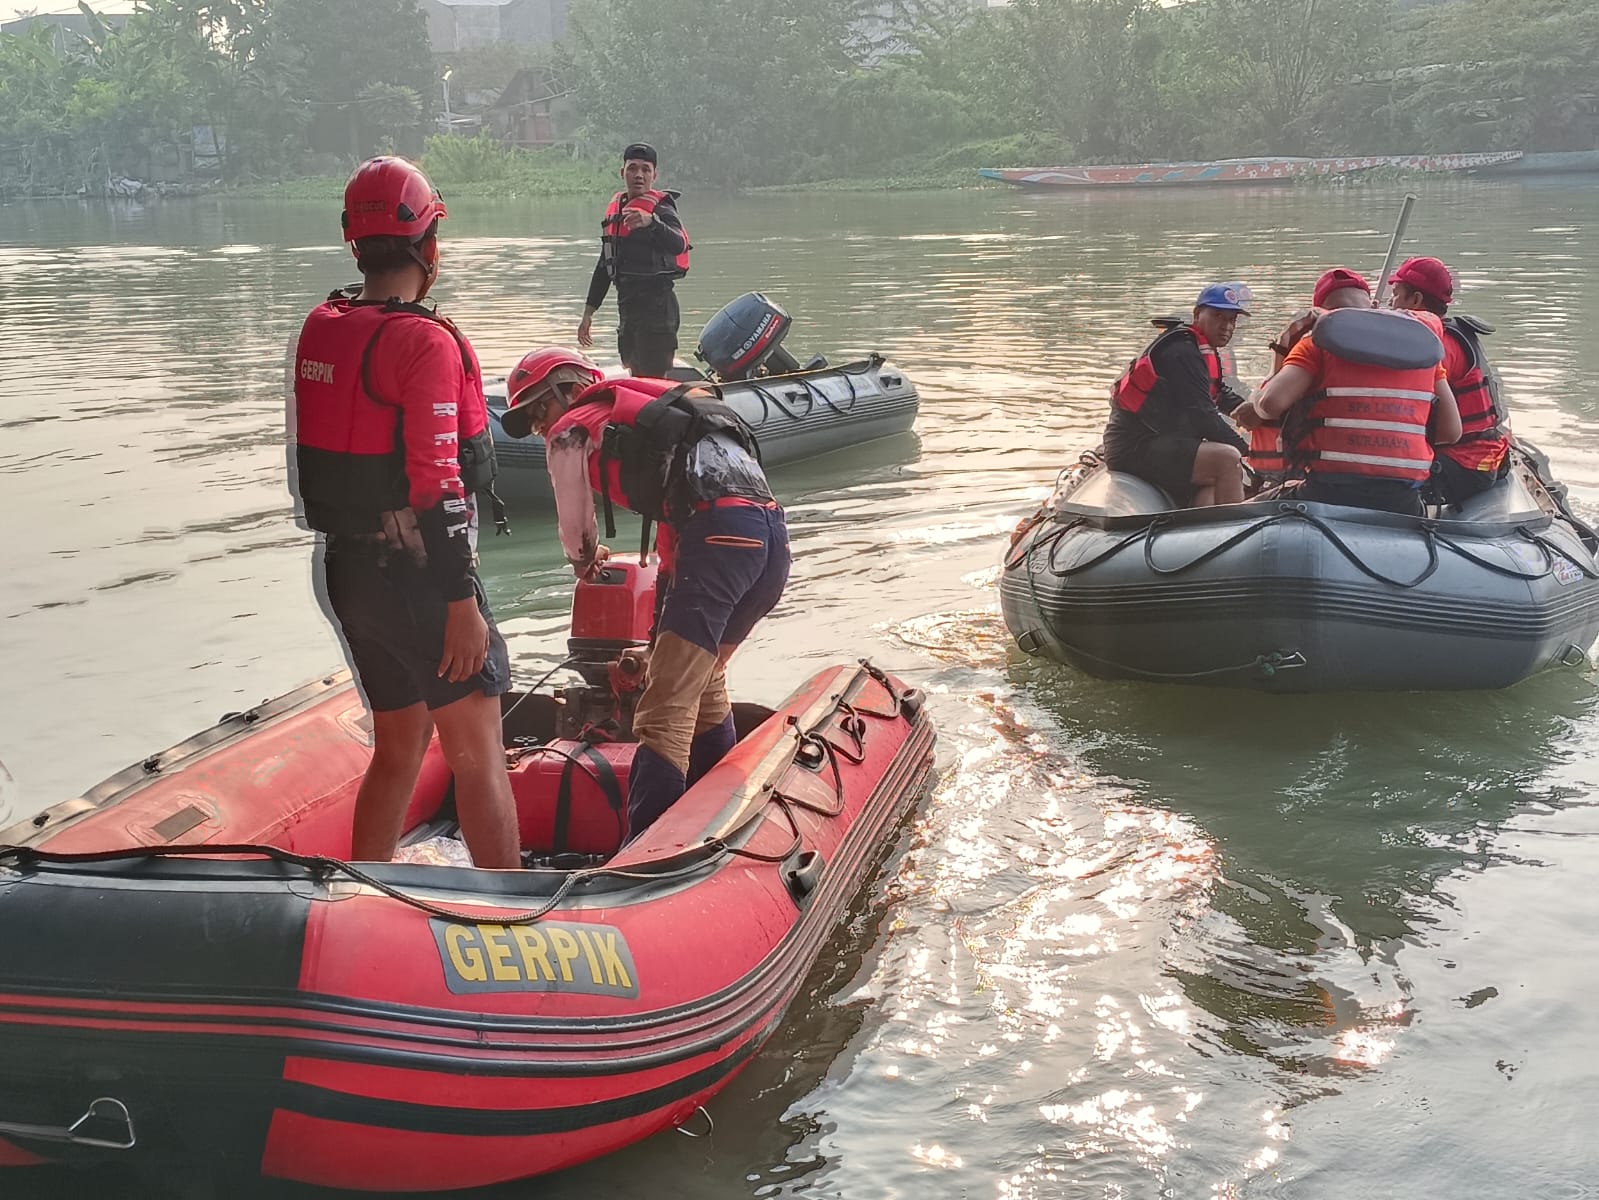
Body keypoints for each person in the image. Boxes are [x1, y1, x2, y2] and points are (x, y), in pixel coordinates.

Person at [290, 157, 519, 869]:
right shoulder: (422, 341)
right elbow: (438, 484)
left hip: (345, 571)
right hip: (419, 575)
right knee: (479, 754)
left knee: (397, 747)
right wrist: (459, 601)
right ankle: (511, 923)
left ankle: (362, 900)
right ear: (429, 247)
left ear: (354, 244)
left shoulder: (322, 326)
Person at [500, 347, 790, 842]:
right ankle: (715, 816)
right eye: (529, 423)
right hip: (769, 541)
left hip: (719, 541)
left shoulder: (572, 428)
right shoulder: (665, 408)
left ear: (568, 390)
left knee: (662, 710)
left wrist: (584, 559)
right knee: (705, 685)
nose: (539, 427)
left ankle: (648, 850)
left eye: (537, 412)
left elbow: (576, 526)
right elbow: (687, 507)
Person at [1237, 296, 1463, 516]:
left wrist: (1258, 395)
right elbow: (1451, 432)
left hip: (1326, 493)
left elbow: (1270, 404)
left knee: (1243, 513)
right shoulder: (1424, 355)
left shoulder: (1315, 343)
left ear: (1320, 309)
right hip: (1401, 500)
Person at [1103, 282, 1252, 507]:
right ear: (1197, 314)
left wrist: (1260, 414)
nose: (1227, 326)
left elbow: (1219, 396)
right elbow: (1204, 418)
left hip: (1159, 442)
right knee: (1228, 459)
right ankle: (1235, 530)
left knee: (1214, 482)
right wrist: (1248, 451)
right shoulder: (1182, 352)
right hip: (1134, 446)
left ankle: (1202, 530)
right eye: (1218, 316)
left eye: (1231, 320)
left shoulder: (1198, 348)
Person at [1387, 255, 1512, 508]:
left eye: (1397, 294)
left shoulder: (1433, 345)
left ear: (1416, 300)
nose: (1392, 302)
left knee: (1374, 484)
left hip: (1463, 464)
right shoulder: (1454, 334)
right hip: (1483, 458)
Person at [1244, 268, 1378, 484]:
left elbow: (1269, 404)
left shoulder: (1312, 348)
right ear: (1375, 308)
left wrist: (1283, 346)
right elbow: (1450, 430)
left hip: (1323, 481)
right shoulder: (1413, 351)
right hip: (1393, 484)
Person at [576, 143, 690, 379]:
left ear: (654, 175)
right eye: (633, 168)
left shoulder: (662, 208)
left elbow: (679, 243)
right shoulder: (618, 211)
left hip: (658, 310)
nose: (639, 175)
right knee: (635, 375)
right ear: (623, 172)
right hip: (628, 310)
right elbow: (603, 266)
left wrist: (652, 223)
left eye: (646, 170)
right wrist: (589, 313)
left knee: (653, 381)